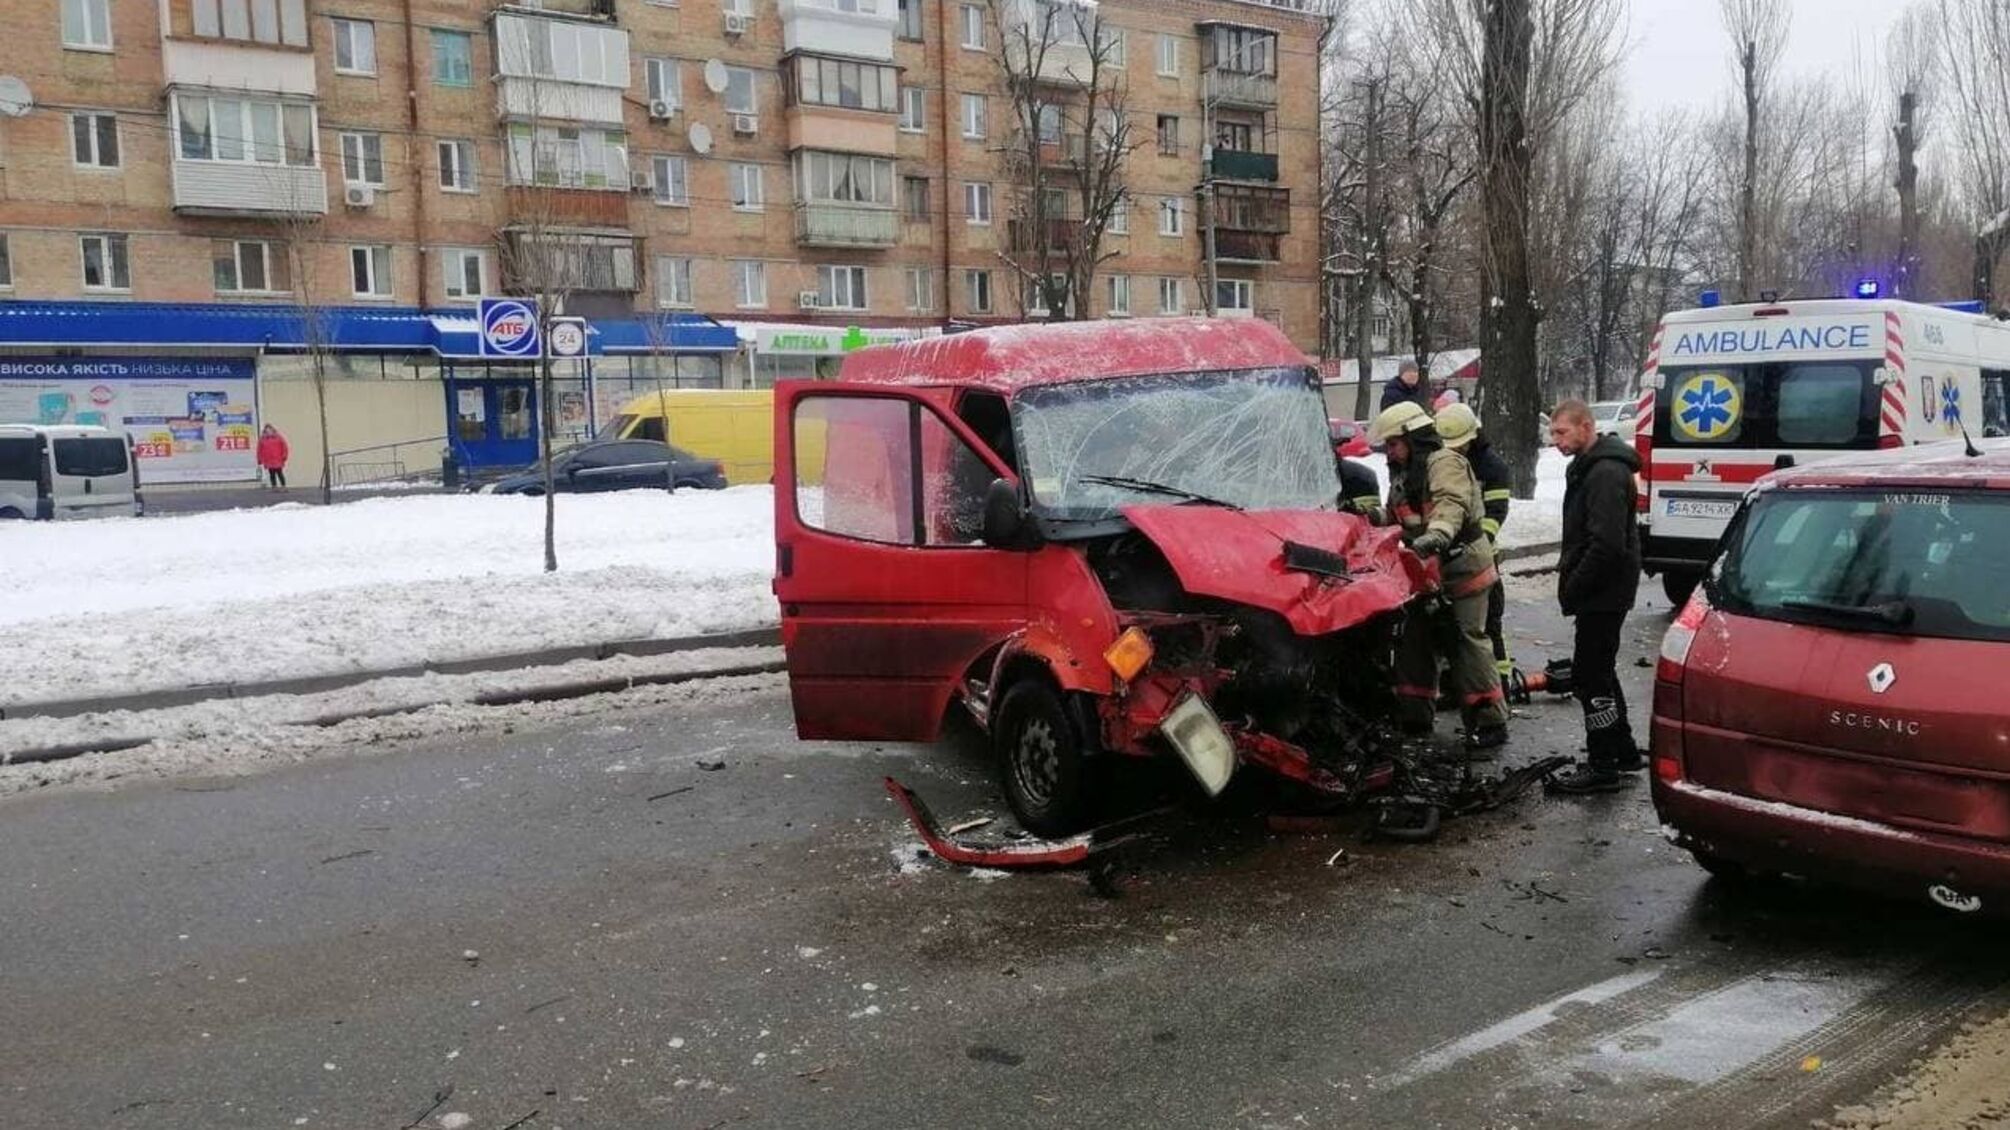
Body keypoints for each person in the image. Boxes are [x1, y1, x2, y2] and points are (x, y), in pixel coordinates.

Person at [1367, 401, 1510, 751]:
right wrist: (1364, 518)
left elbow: (1451, 504)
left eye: (1394, 444)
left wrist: (1439, 535)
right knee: (1415, 641)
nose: (1390, 452)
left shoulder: (1444, 462)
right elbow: (1396, 516)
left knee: (1466, 642)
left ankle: (1489, 722)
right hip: (1423, 571)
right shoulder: (1403, 476)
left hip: (1462, 568)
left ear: (1413, 438)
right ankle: (1414, 717)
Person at [1547, 400, 1646, 794]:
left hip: (1604, 592)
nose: (1556, 441)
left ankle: (1603, 763)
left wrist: (1575, 586)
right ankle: (1621, 750)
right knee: (1601, 669)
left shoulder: (1604, 472)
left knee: (1590, 677)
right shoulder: (1590, 467)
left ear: (1587, 427)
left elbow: (1607, 544)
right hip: (1604, 591)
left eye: (1562, 432)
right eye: (1552, 433)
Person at [1432, 403, 1515, 687]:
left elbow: (1496, 512)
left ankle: (1501, 683)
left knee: (1489, 625)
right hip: (1450, 557)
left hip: (1480, 558)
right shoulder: (1444, 461)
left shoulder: (1492, 467)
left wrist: (1479, 543)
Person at [257, 424, 290, 490]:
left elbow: (284, 447)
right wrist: (259, 459)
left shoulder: (279, 437)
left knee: (279, 473)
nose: (268, 432)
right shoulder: (262, 439)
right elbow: (259, 450)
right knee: (272, 474)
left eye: (270, 430)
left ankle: (283, 486)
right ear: (265, 431)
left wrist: (284, 456)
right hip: (268, 460)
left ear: (272, 430)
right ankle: (274, 486)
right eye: (267, 431)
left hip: (278, 459)